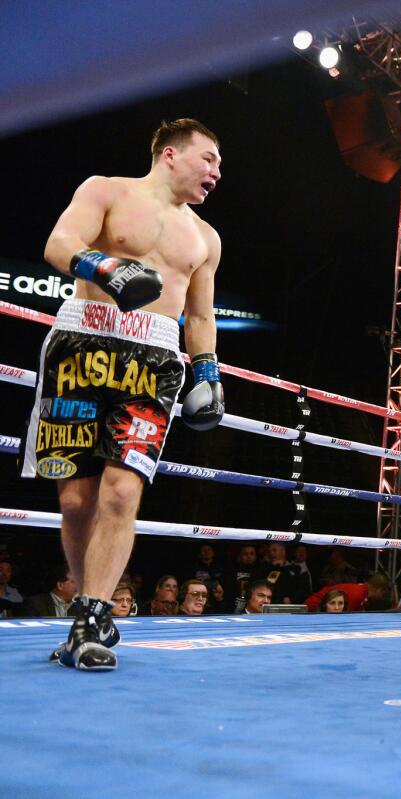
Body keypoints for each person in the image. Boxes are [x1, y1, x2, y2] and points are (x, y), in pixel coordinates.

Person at [23, 119, 225, 670]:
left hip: (154, 360)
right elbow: (58, 244)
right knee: (74, 499)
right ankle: (84, 616)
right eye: (207, 158)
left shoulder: (205, 237)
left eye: (218, 164)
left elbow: (201, 315)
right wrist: (103, 265)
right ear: (169, 155)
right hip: (81, 343)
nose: (216, 170)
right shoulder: (105, 190)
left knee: (120, 493)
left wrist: (206, 370)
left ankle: (91, 615)